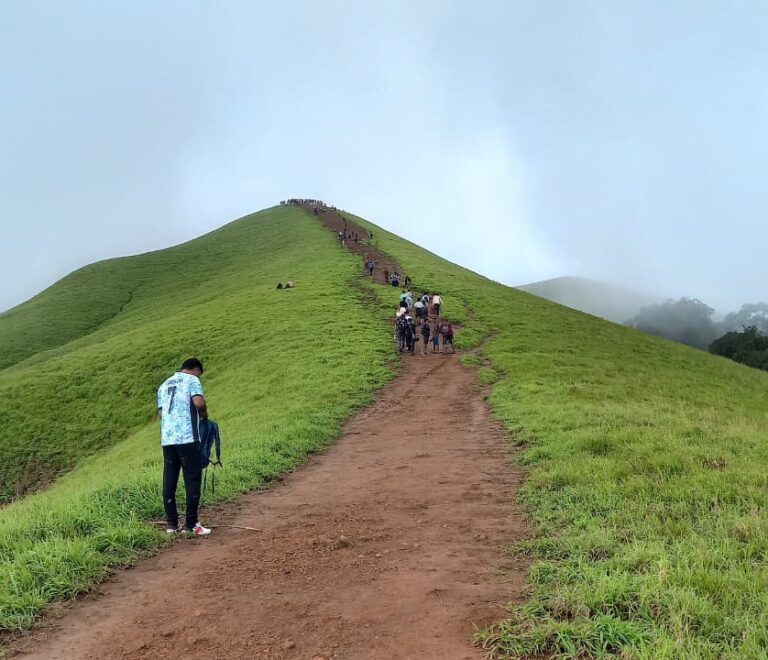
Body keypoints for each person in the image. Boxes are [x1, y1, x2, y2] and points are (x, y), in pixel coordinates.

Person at [157, 357, 212, 536]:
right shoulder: (192, 380)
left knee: (170, 479)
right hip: (188, 437)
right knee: (192, 478)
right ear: (195, 370)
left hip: (168, 439)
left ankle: (172, 525)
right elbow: (199, 403)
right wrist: (204, 417)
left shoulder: (164, 385)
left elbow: (161, 413)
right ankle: (191, 524)